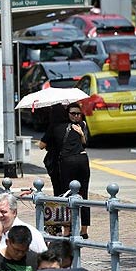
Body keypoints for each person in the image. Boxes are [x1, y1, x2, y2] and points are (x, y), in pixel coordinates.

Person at [39, 102, 91, 238]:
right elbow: (85, 144)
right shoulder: (81, 125)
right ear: (66, 114)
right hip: (83, 160)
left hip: (66, 162)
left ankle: (67, 229)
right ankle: (84, 230)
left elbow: (41, 145)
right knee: (84, 195)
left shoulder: (55, 127)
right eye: (73, 113)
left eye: (78, 114)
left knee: (65, 194)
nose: (75, 115)